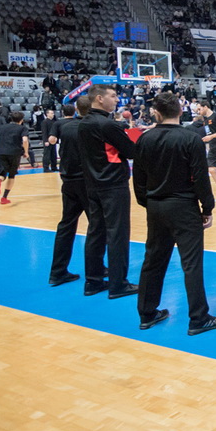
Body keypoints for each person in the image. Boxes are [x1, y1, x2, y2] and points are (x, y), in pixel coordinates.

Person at [134, 92, 216, 336]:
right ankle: (198, 318)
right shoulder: (190, 138)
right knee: (191, 264)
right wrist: (207, 208)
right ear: (180, 111)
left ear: (156, 113)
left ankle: (147, 314)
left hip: (155, 206)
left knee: (152, 261)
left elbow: (138, 179)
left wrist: (148, 202)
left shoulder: (144, 139)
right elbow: (200, 179)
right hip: (184, 207)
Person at [77, 84, 139, 298]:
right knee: (118, 234)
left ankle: (92, 282)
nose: (117, 100)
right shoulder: (108, 125)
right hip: (113, 185)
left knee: (96, 232)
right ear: (100, 99)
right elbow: (131, 151)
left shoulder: (83, 123)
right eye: (113, 96)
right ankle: (118, 284)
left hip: (92, 184)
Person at [47, 99, 102, 286]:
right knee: (97, 226)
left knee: (66, 226)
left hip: (68, 180)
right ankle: (96, 271)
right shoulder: (90, 128)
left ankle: (57, 272)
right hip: (86, 181)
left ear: (77, 109)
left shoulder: (65, 127)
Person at [0, 111, 30, 205]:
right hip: (14, 153)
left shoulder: (1, 127)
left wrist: (1, 146)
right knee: (11, 175)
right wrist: (26, 152)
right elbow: (25, 140)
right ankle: (4, 197)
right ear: (21, 120)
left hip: (0, 152)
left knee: (2, 173)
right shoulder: (22, 128)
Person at [41, 108, 58, 172]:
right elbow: (44, 132)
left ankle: (54, 167)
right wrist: (46, 141)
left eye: (53, 113)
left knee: (54, 154)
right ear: (47, 114)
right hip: (47, 140)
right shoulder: (45, 122)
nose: (53, 114)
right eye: (51, 113)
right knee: (47, 155)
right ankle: (46, 168)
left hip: (53, 140)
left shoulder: (54, 121)